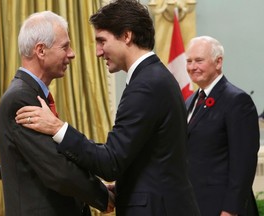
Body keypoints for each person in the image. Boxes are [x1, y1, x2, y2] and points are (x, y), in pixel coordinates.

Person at [15, 0, 200, 215]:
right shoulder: (153, 77)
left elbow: (110, 163)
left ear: (127, 36)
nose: (98, 52)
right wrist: (124, 185)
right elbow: (143, 155)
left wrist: (58, 128)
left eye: (102, 41)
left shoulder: (146, 85)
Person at [0, 11, 113, 216]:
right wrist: (102, 196)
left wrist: (99, 186)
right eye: (65, 46)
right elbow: (57, 170)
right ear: (41, 50)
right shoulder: (20, 99)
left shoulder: (31, 93)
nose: (72, 54)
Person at [185, 36, 260, 216]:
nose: (192, 67)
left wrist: (231, 210)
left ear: (218, 62)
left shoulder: (237, 101)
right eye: (189, 61)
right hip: (195, 204)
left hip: (224, 208)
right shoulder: (189, 101)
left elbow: (244, 163)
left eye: (199, 61)